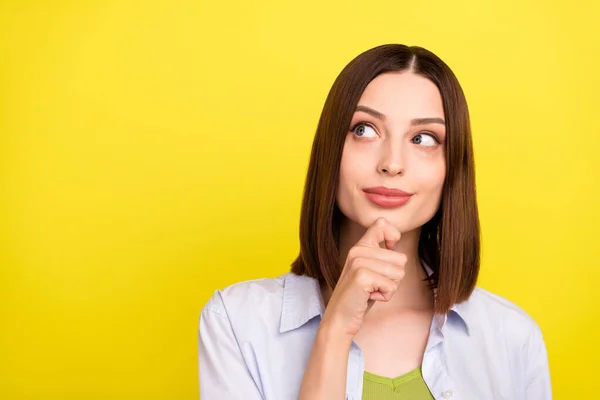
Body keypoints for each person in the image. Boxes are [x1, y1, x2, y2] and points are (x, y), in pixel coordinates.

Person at [198, 44, 552, 399]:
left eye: (423, 138)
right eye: (365, 130)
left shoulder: (513, 339)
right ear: (330, 149)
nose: (392, 163)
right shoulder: (236, 322)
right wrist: (335, 331)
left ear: (451, 168)